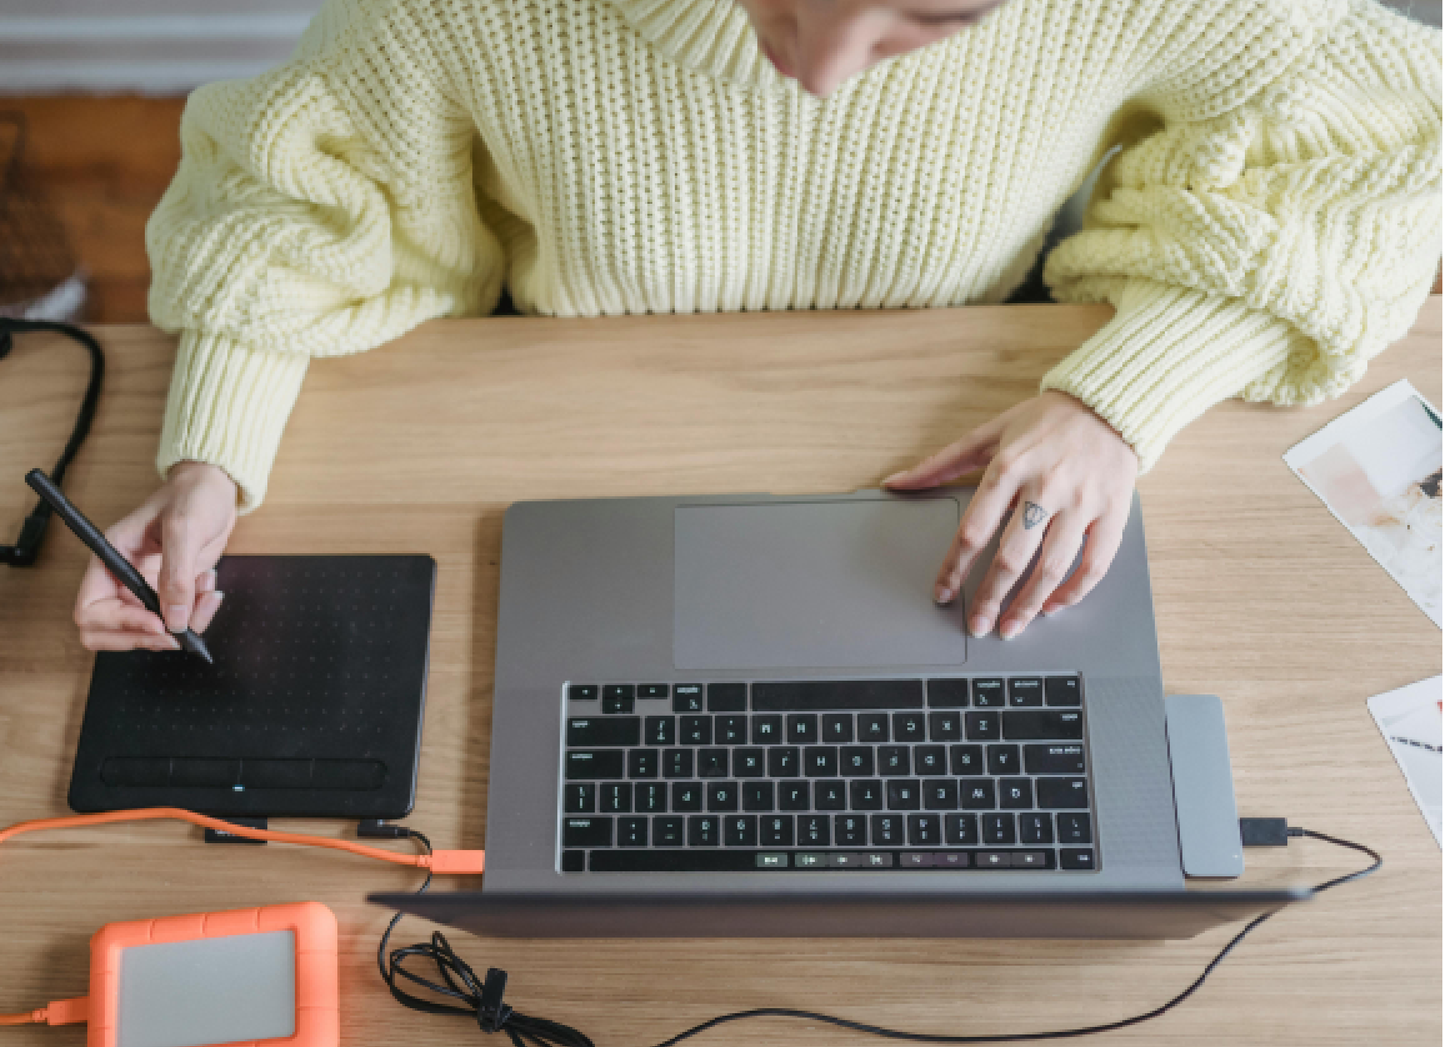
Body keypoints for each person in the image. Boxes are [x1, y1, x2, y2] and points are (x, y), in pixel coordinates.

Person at [74, 0, 1441, 652]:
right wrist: (209, 461)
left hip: (953, 416)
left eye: (925, 19)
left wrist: (1119, 399)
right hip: (564, 441)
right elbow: (303, 202)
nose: (826, 74)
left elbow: (1386, 153)